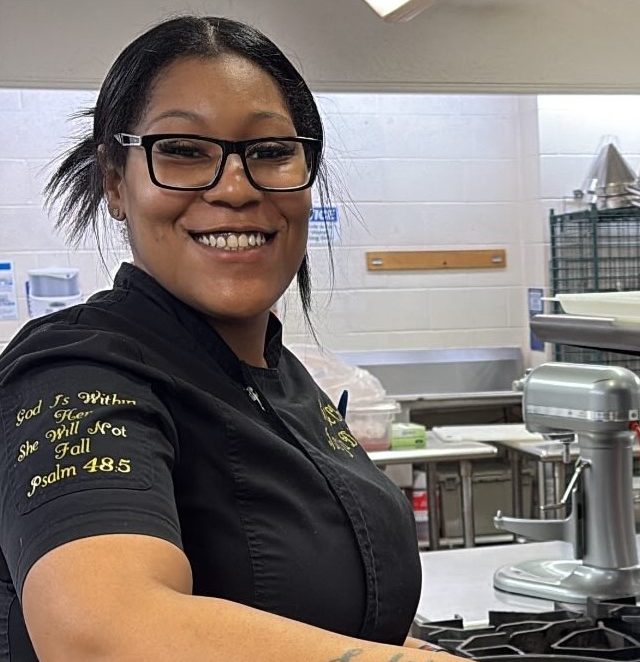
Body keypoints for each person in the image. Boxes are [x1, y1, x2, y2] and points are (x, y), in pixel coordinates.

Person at [0, 16, 462, 662]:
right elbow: (97, 635)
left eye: (271, 152)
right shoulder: (76, 373)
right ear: (114, 182)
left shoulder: (288, 385)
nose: (235, 188)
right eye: (183, 150)